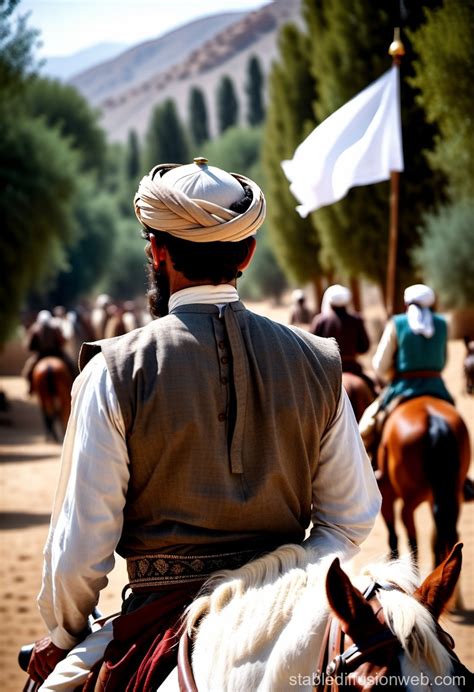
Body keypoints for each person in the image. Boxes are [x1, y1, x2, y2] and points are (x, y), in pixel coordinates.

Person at [27, 158, 380, 690]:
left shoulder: (113, 371)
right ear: (248, 253)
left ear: (157, 252)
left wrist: (62, 632)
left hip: (158, 620)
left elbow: (81, 548)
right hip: (286, 612)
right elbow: (350, 520)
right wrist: (276, 582)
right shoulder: (318, 361)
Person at [359, 284, 454, 469]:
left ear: (406, 305)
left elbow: (379, 365)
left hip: (403, 387)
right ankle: (462, 478)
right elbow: (443, 362)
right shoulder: (441, 324)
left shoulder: (398, 323)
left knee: (365, 427)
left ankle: (372, 470)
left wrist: (389, 375)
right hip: (437, 387)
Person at [310, 284, 375, 393]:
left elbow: (310, 348)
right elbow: (365, 347)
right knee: (374, 390)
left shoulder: (320, 321)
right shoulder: (356, 320)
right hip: (354, 369)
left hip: (327, 371)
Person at [22, 310, 76, 394]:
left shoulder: (35, 328)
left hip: (41, 355)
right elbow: (62, 341)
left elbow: (29, 345)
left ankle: (30, 388)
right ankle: (74, 386)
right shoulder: (55, 326)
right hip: (57, 354)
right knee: (72, 366)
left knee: (28, 370)